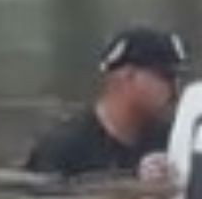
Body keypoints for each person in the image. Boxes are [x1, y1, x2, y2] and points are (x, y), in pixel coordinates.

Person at [24, 26, 189, 179]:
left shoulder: (172, 140)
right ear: (128, 77)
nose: (176, 87)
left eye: (178, 78)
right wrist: (133, 183)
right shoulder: (62, 149)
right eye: (166, 76)